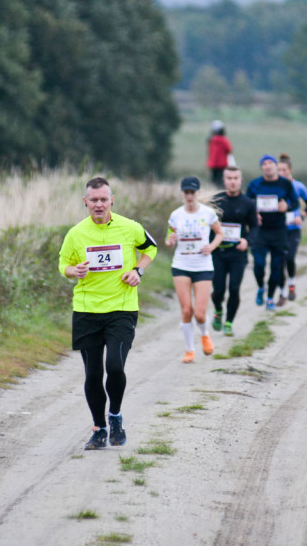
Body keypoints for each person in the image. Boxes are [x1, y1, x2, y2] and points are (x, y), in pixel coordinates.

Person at [58, 176, 158, 450]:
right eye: (94, 200)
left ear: (112, 200)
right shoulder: (76, 233)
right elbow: (63, 264)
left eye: (104, 199)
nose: (99, 204)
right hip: (87, 310)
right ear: (85, 202)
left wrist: (138, 270)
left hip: (122, 309)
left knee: (114, 366)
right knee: (92, 374)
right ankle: (99, 429)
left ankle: (115, 415)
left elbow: (150, 248)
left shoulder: (130, 227)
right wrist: (73, 271)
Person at [166, 176, 224, 363]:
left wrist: (211, 247)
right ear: (182, 194)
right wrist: (170, 241)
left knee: (199, 313)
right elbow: (169, 239)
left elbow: (220, 233)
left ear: (198, 193)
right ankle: (189, 350)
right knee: (186, 311)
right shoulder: (176, 215)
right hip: (181, 265)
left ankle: (204, 334)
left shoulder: (208, 213)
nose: (189, 196)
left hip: (203, 266)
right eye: (186, 193)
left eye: (192, 192)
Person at [245, 154, 299, 312]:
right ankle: (261, 287)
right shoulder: (255, 184)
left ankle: (270, 298)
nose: (267, 166)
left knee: (276, 267)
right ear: (261, 168)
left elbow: (295, 202)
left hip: (279, 231)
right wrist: (253, 213)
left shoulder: (285, 184)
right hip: (259, 231)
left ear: (276, 166)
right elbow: (246, 203)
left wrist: (287, 207)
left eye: (270, 163)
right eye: (264, 164)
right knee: (259, 265)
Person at [210, 166, 258, 337]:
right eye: (229, 178)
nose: (232, 181)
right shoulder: (216, 202)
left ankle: (229, 322)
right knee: (219, 290)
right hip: (218, 253)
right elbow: (205, 224)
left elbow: (255, 227)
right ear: (224, 181)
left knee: (234, 288)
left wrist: (247, 241)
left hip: (238, 253)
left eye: (235, 178)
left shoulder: (248, 203)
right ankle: (218, 310)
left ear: (240, 181)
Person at [276, 153, 307, 303]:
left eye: (284, 170)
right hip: (278, 229)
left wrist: (302, 217)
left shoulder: (298, 186)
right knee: (279, 262)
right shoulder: (274, 186)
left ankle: (291, 284)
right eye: (279, 170)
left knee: (290, 258)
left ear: (290, 170)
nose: (281, 173)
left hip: (293, 229)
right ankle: (282, 294)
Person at [206, 120, 234, 188]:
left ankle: (213, 190)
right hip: (222, 164)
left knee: (213, 179)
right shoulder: (224, 140)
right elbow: (229, 150)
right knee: (220, 180)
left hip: (213, 163)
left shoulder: (211, 140)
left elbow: (209, 151)